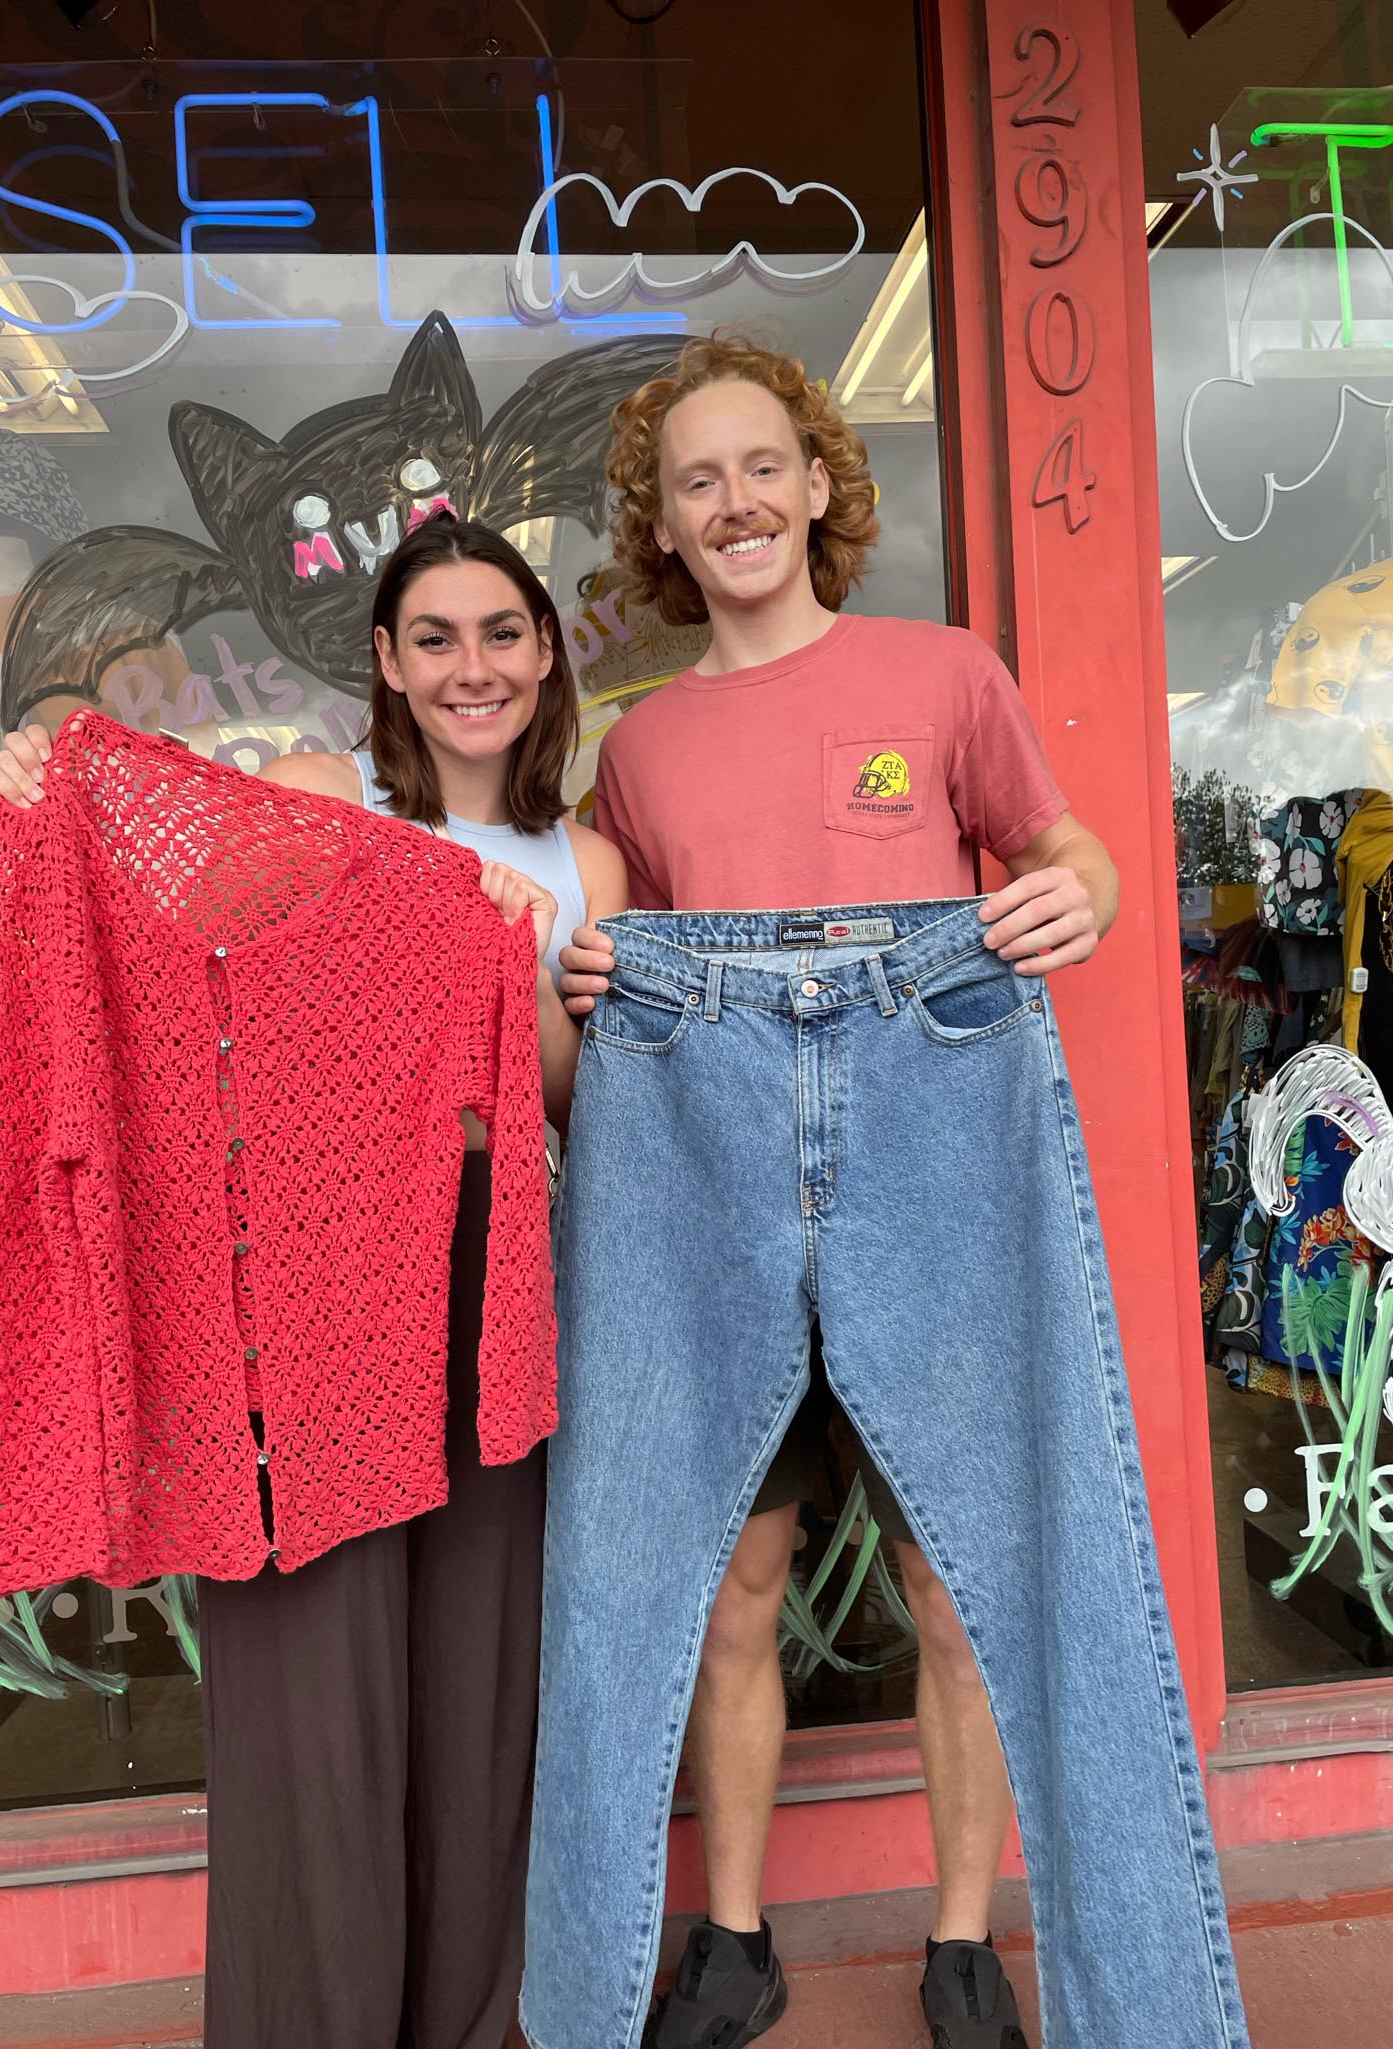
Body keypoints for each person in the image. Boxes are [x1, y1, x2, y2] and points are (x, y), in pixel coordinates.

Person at [0, 512, 626, 2049]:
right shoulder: (317, 798)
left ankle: (474, 2024)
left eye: (502, 633)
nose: (473, 667)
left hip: (495, 1276)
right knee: (315, 1709)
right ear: (388, 668)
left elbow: (569, 1100)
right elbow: (170, 944)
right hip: (314, 1295)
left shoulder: (589, 855)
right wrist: (42, 787)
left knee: (481, 1694)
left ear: (546, 654)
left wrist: (515, 965)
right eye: (436, 639)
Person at [554, 336, 1117, 2049]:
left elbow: (1063, 850)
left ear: (816, 485)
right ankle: (734, 1934)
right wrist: (590, 985)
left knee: (952, 1575)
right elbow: (584, 944)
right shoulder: (639, 750)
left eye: (758, 467)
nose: (732, 502)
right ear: (666, 526)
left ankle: (962, 1942)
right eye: (694, 481)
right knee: (731, 1578)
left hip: (925, 1184)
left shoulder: (944, 678)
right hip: (717, 1198)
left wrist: (1075, 897)